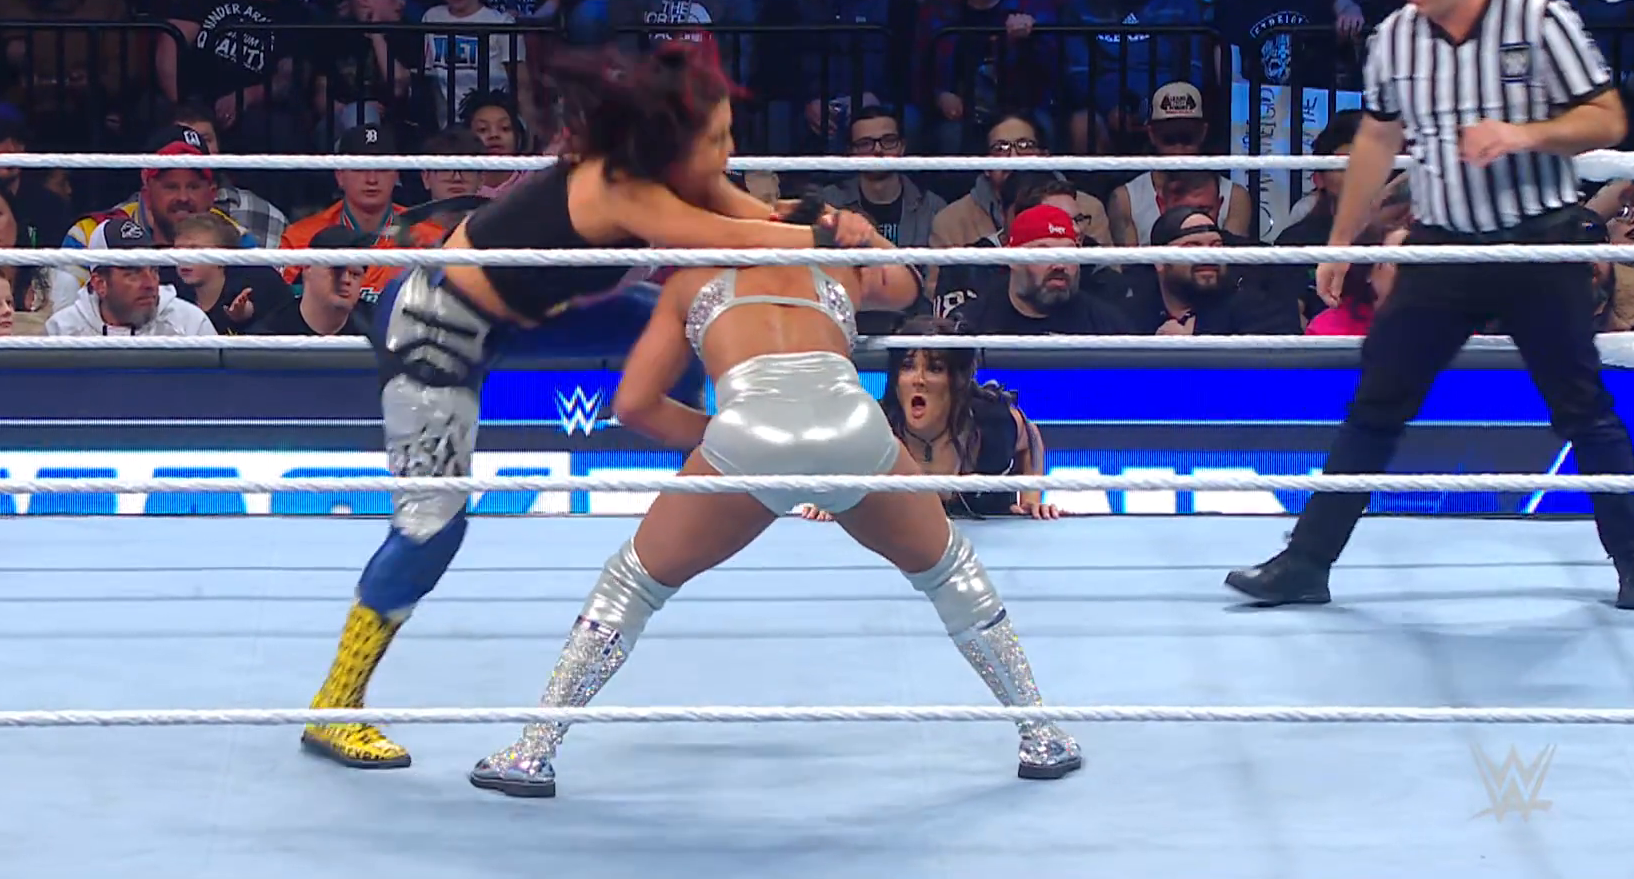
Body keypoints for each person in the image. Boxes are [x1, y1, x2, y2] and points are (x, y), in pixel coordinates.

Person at [300, 44, 882, 768]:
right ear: (673, 142)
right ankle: (335, 706)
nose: (728, 152)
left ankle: (728, 451)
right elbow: (735, 238)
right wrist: (825, 238)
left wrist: (831, 219)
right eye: (718, 139)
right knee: (432, 526)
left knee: (677, 321)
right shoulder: (618, 185)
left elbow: (757, 214)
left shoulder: (678, 176)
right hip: (434, 330)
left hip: (524, 319)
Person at [468, 194, 1082, 798]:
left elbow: (633, 406)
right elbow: (911, 284)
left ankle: (533, 750)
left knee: (632, 584)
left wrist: (724, 440)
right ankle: (1041, 735)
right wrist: (862, 233)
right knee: (951, 571)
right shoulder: (836, 273)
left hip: (750, 433)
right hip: (852, 425)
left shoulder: (692, 283)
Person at [1224, 0, 1634, 611]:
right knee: (1377, 400)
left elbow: (1608, 117)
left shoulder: (1540, 20)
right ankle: (1306, 563)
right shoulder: (1396, 36)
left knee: (1582, 406)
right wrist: (1340, 244)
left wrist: (1523, 134)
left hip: (1536, 242)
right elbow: (1377, 140)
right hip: (1443, 246)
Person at [879, 316, 1062, 520]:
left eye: (935, 369)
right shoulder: (877, 428)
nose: (918, 380)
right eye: (907, 366)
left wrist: (1031, 499)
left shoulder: (991, 421)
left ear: (958, 380)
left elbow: (1031, 436)